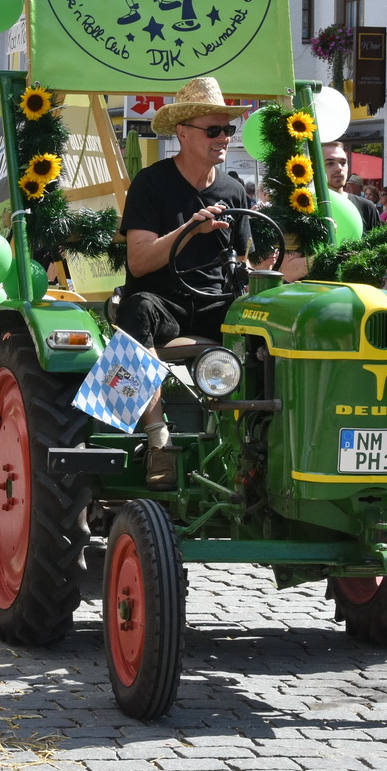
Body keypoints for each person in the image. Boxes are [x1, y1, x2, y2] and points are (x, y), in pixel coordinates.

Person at [116, 76, 250, 488]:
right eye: (213, 130)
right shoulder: (151, 183)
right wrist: (190, 229)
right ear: (183, 133)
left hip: (215, 303)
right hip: (163, 302)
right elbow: (139, 262)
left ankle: (245, 441)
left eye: (228, 129)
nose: (223, 138)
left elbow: (244, 259)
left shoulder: (234, 190)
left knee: (265, 319)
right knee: (136, 308)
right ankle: (158, 442)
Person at [322, 142, 380, 231]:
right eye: (330, 163)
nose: (339, 168)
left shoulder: (366, 208)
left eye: (343, 162)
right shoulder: (307, 207)